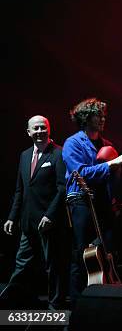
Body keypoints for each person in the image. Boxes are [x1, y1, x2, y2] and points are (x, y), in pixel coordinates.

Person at [63, 98, 122, 304]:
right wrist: (111, 164)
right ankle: (77, 301)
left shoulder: (106, 144)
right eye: (96, 115)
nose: (102, 119)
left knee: (107, 250)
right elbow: (80, 172)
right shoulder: (73, 143)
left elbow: (113, 180)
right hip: (81, 200)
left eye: (103, 115)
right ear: (85, 118)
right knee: (84, 252)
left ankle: (103, 295)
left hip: (103, 202)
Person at [3, 116, 69, 309]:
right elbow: (20, 190)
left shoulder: (58, 154)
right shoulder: (24, 155)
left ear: (49, 130)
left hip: (49, 221)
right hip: (28, 221)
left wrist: (50, 215)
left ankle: (55, 306)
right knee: (21, 263)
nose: (39, 131)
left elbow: (63, 188)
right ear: (29, 132)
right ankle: (10, 303)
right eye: (36, 128)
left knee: (53, 266)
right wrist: (12, 217)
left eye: (43, 127)